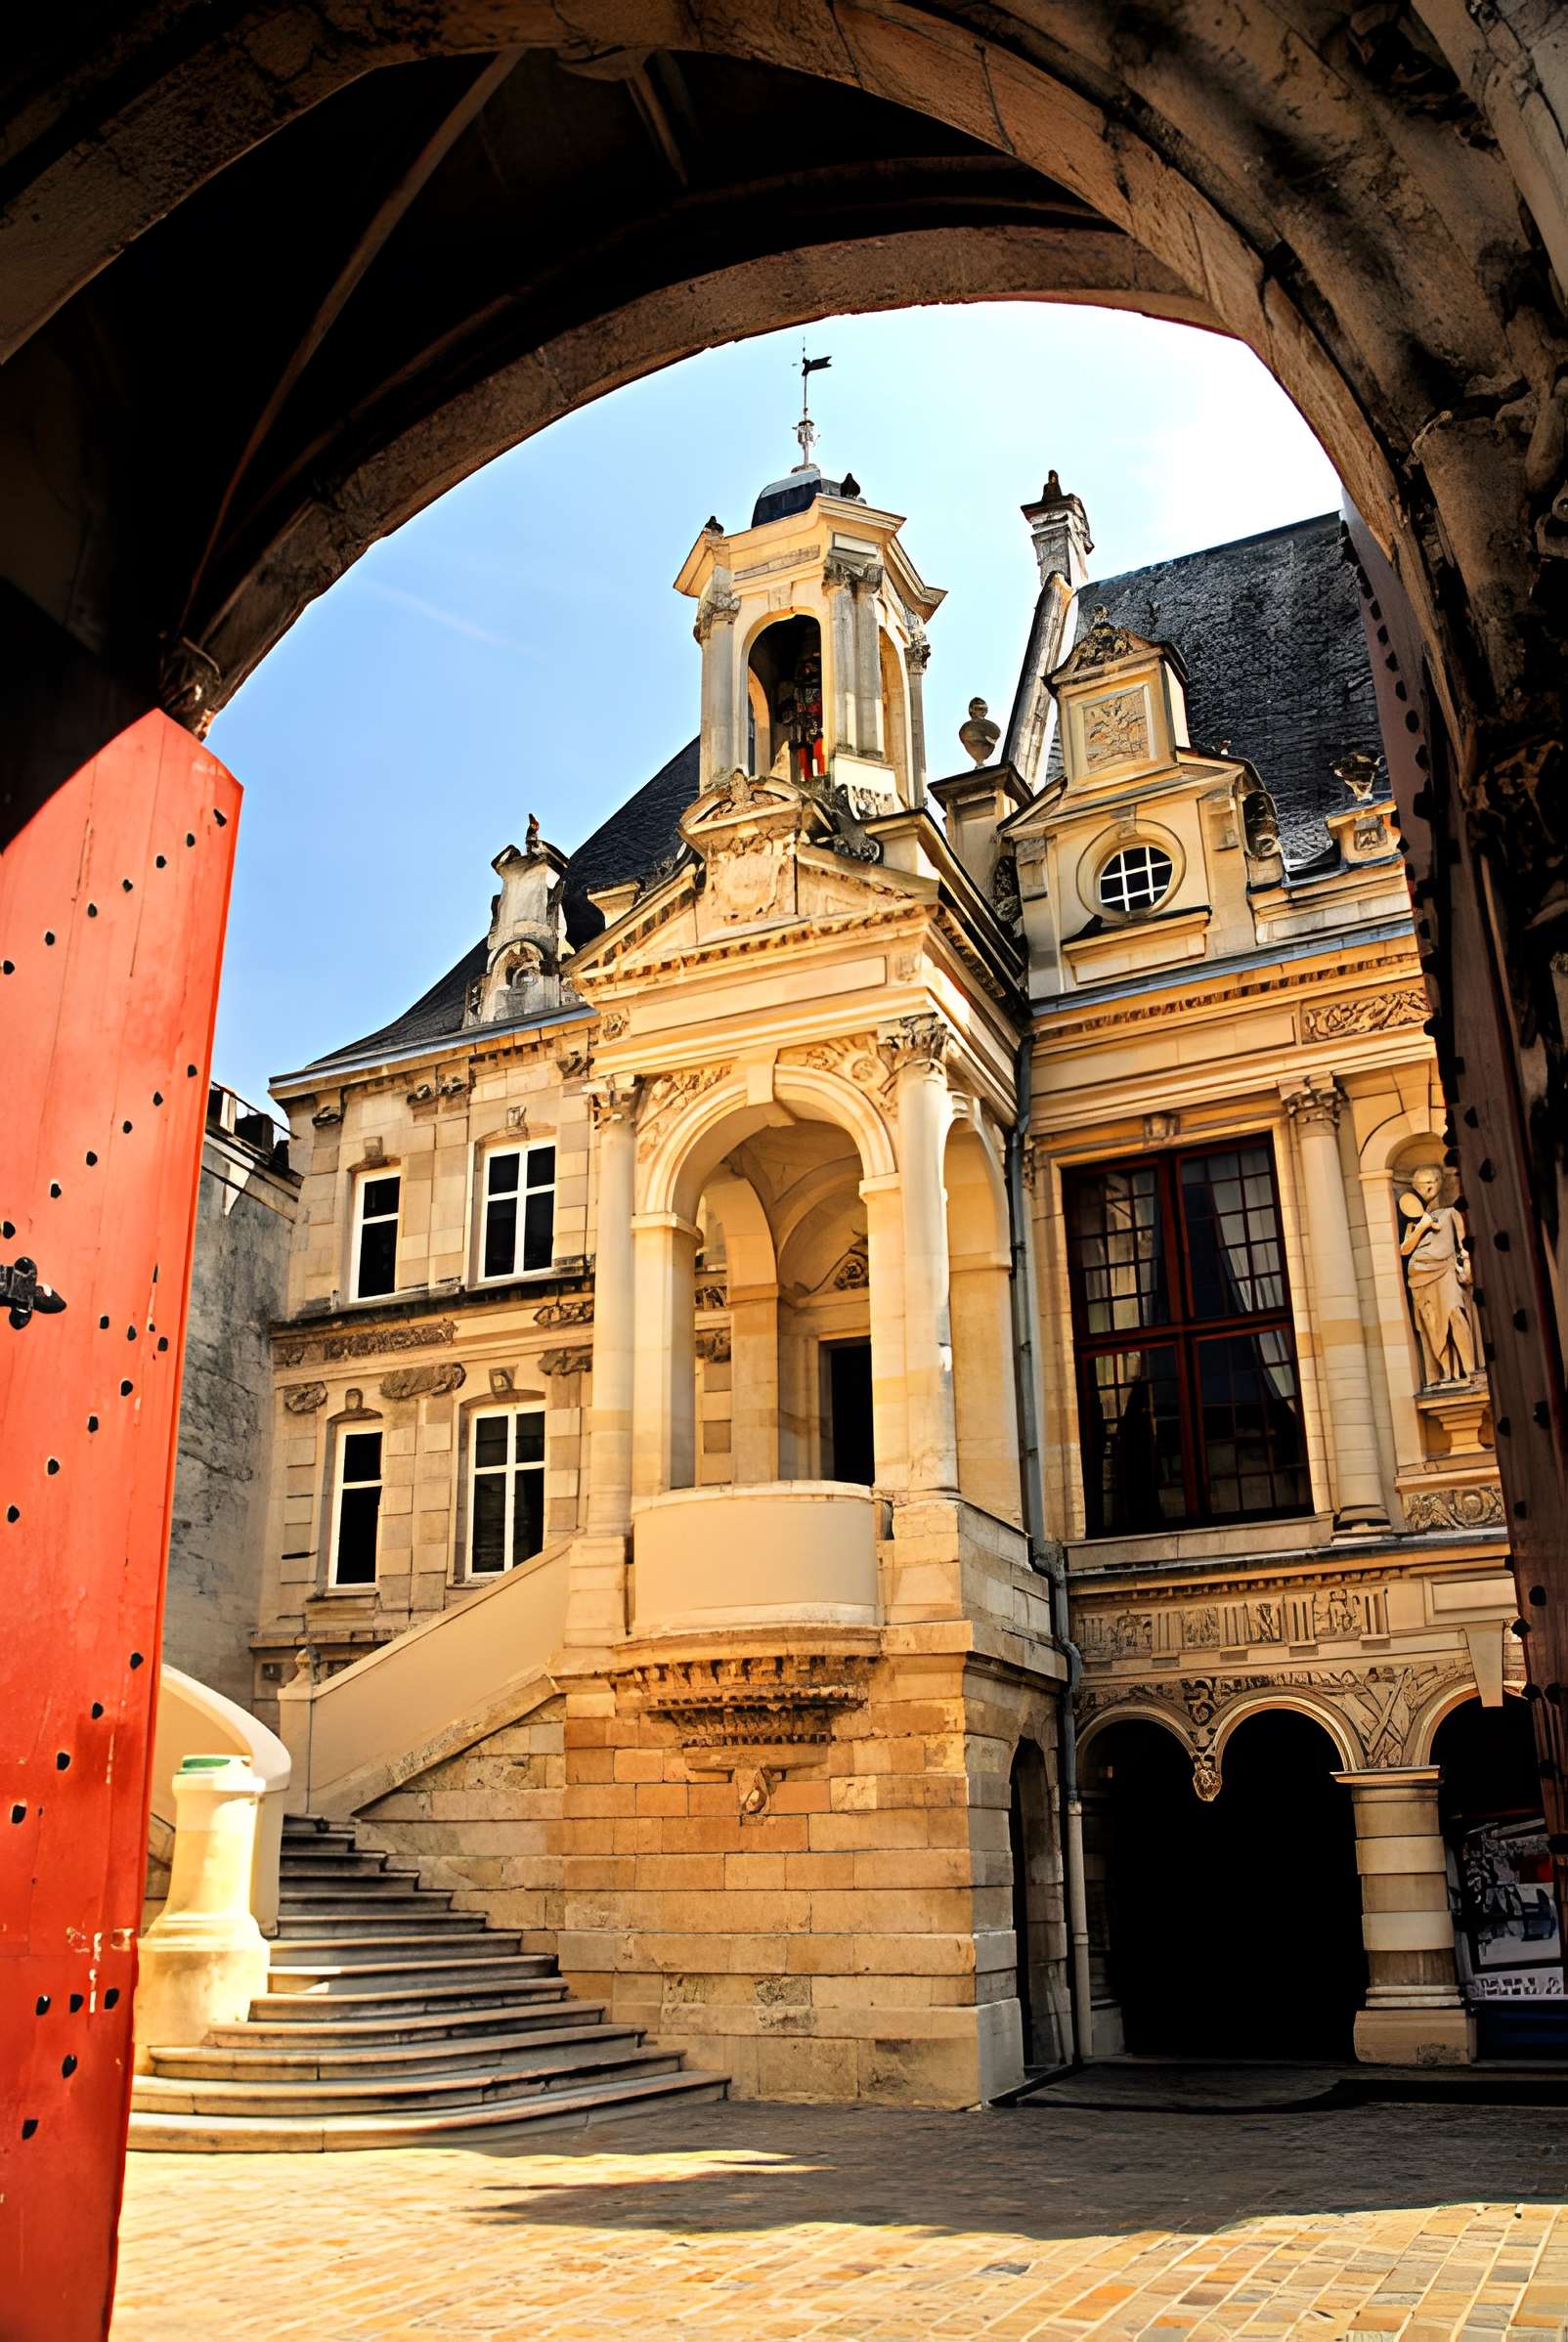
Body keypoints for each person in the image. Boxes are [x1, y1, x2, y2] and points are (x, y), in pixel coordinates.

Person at [1399, 1164, 1477, 1384]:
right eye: (1425, 1183)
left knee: (1455, 1315)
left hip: (1445, 1270)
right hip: (1419, 1276)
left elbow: (1463, 1243)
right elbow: (1404, 1249)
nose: (1430, 1186)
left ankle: (1470, 1369)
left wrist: (1467, 1265)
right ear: (1415, 1187)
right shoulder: (1415, 1219)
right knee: (1433, 1327)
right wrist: (1422, 1227)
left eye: (1434, 1180)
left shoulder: (1450, 1213)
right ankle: (1446, 1372)